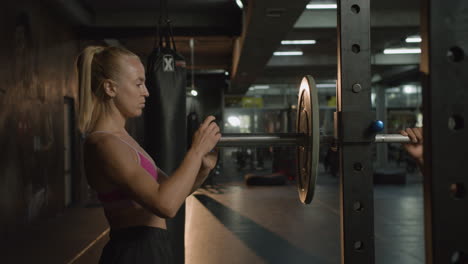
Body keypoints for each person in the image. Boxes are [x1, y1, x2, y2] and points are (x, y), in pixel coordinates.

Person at [76, 46, 221, 263]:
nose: (146, 91)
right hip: (136, 252)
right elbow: (165, 205)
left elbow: (172, 193)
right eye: (138, 83)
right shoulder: (105, 144)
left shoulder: (122, 138)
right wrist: (196, 150)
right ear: (110, 88)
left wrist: (202, 169)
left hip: (151, 248)